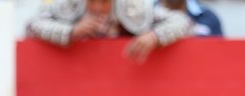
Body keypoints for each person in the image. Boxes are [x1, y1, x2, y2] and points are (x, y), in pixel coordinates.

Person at [26, 0, 193, 63]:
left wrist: (154, 36)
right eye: (92, 1)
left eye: (104, 1)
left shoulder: (132, 7)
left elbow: (182, 21)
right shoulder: (70, 4)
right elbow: (31, 25)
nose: (97, 8)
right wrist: (71, 31)